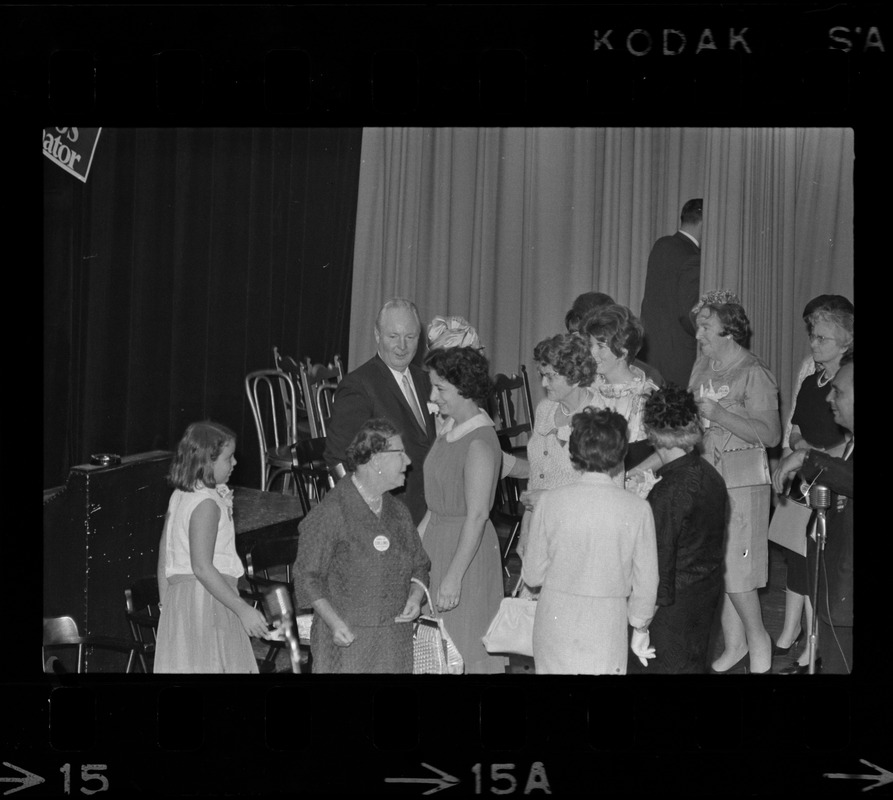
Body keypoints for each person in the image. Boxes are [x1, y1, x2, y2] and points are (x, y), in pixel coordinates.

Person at [522, 407, 659, 674]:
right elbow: (646, 581)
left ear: (573, 455)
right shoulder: (637, 509)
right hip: (606, 622)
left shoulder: (549, 502)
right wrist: (640, 626)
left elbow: (533, 575)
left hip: (554, 618)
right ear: (621, 453)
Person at [687, 294, 781, 674]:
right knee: (718, 568)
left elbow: (771, 435)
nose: (699, 334)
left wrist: (722, 415)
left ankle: (759, 639)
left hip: (742, 484)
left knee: (739, 573)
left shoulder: (753, 372)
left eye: (706, 326)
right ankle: (736, 642)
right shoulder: (701, 366)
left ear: (728, 330)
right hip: (708, 478)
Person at [293, 418, 431, 673]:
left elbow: (420, 565)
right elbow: (306, 577)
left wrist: (416, 595)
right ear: (376, 460)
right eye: (400, 453)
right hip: (347, 642)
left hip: (394, 642)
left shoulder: (398, 511)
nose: (408, 461)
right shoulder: (332, 512)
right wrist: (334, 624)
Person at [771, 296, 853, 671]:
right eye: (813, 337)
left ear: (846, 342)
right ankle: (802, 637)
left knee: (827, 572)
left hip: (834, 483)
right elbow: (795, 434)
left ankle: (818, 645)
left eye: (823, 339)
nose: (814, 345)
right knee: (802, 564)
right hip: (808, 482)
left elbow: (844, 450)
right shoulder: (810, 383)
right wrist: (808, 453)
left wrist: (814, 456)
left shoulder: (849, 386)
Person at [155, 421, 270, 673]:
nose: (235, 464)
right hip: (207, 599)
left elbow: (165, 554)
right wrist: (243, 610)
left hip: (186, 601)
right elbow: (202, 567)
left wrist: (168, 607)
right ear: (208, 461)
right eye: (229, 458)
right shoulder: (206, 504)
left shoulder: (181, 495)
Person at [627, 386, 727, 674]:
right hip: (703, 601)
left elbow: (659, 570)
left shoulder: (668, 492)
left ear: (652, 431)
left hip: (671, 615)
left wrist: (640, 625)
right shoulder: (711, 476)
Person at [422, 346, 506, 674]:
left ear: (464, 388)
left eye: (440, 388)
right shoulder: (449, 428)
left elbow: (477, 516)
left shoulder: (479, 442)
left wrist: (453, 578)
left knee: (461, 648)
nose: (433, 396)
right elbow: (434, 507)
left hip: (464, 558)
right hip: (438, 545)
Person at [324, 298, 437, 525]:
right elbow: (338, 460)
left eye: (410, 337)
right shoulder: (359, 386)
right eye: (393, 336)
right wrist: (366, 517)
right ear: (377, 336)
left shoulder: (427, 381)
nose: (402, 346)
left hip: (433, 512)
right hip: (388, 517)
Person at [515, 332, 598, 560]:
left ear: (575, 375)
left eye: (550, 377)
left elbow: (604, 495)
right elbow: (536, 479)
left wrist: (551, 500)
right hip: (542, 532)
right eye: (542, 375)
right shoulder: (545, 409)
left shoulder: (599, 419)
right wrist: (525, 533)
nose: (543, 383)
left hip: (579, 538)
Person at [583, 304, 659, 476]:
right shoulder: (587, 389)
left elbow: (667, 452)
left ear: (623, 352)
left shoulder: (648, 396)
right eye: (591, 345)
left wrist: (625, 478)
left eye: (600, 346)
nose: (592, 352)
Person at [639, 198, 703, 388]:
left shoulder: (662, 245)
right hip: (679, 359)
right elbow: (688, 313)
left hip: (651, 356)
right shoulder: (693, 257)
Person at [566, 291, 663, 386]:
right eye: (574, 334)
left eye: (600, 343)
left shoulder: (649, 380)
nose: (577, 341)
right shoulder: (569, 371)